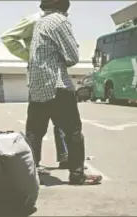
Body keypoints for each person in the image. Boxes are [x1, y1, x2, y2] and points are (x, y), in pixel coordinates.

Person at [27, 0, 102, 185]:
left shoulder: (40, 23)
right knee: (73, 132)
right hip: (56, 85)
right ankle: (77, 174)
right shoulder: (59, 21)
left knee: (34, 133)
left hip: (37, 87)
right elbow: (72, 57)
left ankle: (28, 175)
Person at [1, 3, 69, 174]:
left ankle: (65, 156)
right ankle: (33, 163)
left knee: (62, 121)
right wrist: (30, 56)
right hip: (39, 78)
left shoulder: (57, 21)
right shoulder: (34, 20)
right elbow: (8, 37)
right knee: (36, 125)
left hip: (57, 77)